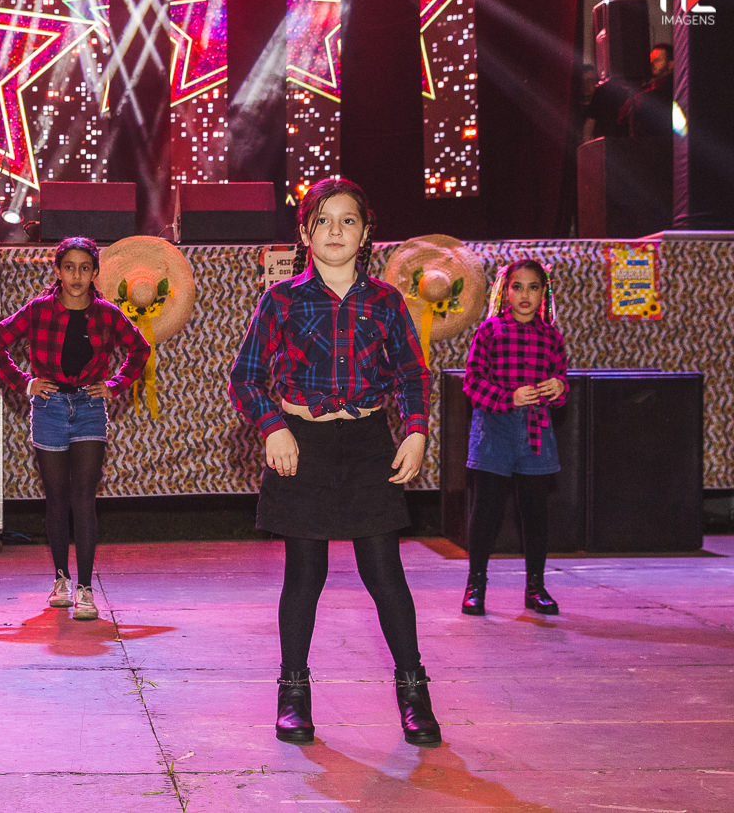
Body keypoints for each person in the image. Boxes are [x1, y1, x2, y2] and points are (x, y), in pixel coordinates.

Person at [229, 177, 441, 747]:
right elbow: (245, 378)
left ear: (366, 233)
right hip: (303, 445)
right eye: (322, 220)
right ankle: (293, 694)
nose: (335, 231)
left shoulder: (386, 301)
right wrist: (273, 426)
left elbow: (412, 375)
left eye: (348, 220)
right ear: (304, 233)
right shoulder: (281, 300)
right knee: (305, 575)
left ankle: (414, 693)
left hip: (369, 445)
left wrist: (416, 431)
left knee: (385, 574)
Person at [0, 237, 149, 622]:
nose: (76, 276)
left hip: (89, 408)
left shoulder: (107, 314)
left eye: (85, 268)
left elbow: (140, 349)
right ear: (57, 271)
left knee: (83, 497)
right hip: (49, 408)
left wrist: (116, 384)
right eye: (69, 267)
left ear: (95, 273)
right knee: (56, 498)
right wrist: (24, 382)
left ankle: (86, 588)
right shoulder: (39, 310)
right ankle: (61, 579)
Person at [460, 259, 568, 617]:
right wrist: (509, 397)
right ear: (505, 291)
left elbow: (561, 385)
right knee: (486, 511)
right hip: (495, 431)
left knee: (535, 512)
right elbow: (472, 383)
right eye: (517, 286)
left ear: (543, 292)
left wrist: (558, 387)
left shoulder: (551, 336)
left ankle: (536, 587)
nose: (525, 295)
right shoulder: (490, 331)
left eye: (533, 287)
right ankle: (475, 585)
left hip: (536, 434)